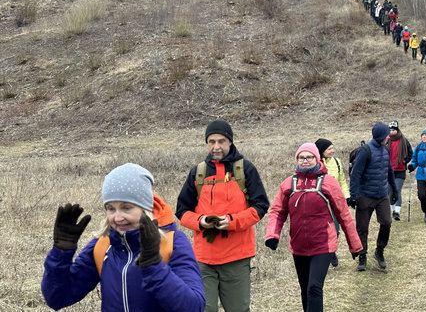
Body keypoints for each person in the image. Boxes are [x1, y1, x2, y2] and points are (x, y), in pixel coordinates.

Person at [42, 163, 205, 312]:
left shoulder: (172, 242)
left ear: (145, 208)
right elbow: (57, 298)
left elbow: (193, 306)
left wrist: (154, 266)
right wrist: (61, 253)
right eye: (111, 209)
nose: (117, 218)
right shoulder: (102, 245)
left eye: (127, 208)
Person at [176, 120, 269, 312]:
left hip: (237, 256)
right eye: (211, 142)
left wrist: (232, 222)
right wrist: (200, 222)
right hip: (203, 259)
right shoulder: (198, 172)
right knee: (202, 308)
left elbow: (261, 206)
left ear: (230, 142)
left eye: (221, 141)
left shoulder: (245, 169)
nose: (216, 147)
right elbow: (182, 211)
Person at [265, 143, 362, 312]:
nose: (305, 161)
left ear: (317, 158)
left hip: (323, 245)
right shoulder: (289, 184)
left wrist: (355, 245)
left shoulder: (328, 183)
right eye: (301, 157)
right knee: (305, 289)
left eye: (309, 157)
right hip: (298, 246)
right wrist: (272, 235)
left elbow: (343, 215)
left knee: (314, 288)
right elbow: (277, 211)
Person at [348, 122, 399, 271]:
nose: (388, 137)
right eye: (386, 135)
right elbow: (356, 174)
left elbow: (389, 170)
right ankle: (362, 256)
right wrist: (353, 195)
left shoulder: (385, 149)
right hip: (365, 195)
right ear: (379, 137)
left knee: (386, 223)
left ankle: (379, 251)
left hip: (382, 195)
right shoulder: (365, 151)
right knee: (362, 228)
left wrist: (394, 190)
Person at [315, 138, 349, 267]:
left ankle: (331, 251)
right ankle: (325, 253)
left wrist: (346, 196)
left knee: (336, 229)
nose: (332, 151)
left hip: (335, 201)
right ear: (321, 151)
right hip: (320, 202)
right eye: (329, 149)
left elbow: (342, 181)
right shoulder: (315, 164)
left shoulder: (337, 162)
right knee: (322, 230)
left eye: (332, 148)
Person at [387, 121, 413, 221]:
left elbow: (410, 153)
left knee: (397, 190)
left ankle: (397, 211)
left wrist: (404, 161)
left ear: (397, 130)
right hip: (389, 170)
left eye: (393, 130)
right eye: (390, 130)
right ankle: (392, 210)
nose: (391, 132)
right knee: (390, 191)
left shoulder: (404, 140)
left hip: (400, 170)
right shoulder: (386, 141)